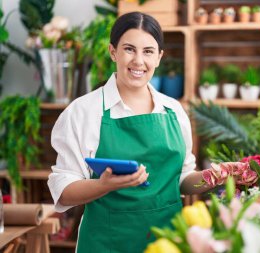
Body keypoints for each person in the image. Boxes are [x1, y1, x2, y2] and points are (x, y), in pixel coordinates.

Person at [47, 12, 221, 253]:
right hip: (107, 243)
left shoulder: (173, 110)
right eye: (129, 49)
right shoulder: (84, 112)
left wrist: (217, 176)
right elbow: (64, 191)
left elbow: (182, 178)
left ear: (159, 57)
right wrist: (103, 185)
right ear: (113, 52)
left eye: (148, 51)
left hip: (169, 242)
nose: (138, 61)